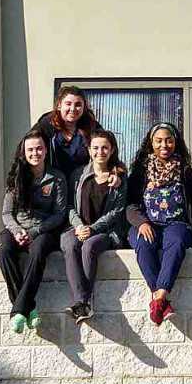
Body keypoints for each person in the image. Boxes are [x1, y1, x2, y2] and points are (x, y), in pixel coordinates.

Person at [126, 122, 192, 325]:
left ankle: (158, 297)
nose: (164, 145)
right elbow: (130, 205)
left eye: (168, 140)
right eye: (158, 141)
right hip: (147, 224)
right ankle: (161, 298)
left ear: (175, 142)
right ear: (150, 143)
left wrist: (188, 223)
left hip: (176, 224)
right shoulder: (140, 172)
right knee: (143, 244)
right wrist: (141, 222)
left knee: (176, 242)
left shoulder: (185, 171)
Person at [0, 128, 67, 333]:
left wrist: (34, 232)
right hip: (17, 228)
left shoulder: (57, 178)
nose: (35, 153)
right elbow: (7, 213)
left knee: (38, 250)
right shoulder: (16, 177)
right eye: (30, 150)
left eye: (39, 149)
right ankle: (28, 308)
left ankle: (18, 310)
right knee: (3, 250)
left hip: (44, 230)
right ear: (23, 153)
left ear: (45, 151)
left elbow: (59, 214)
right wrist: (17, 232)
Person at [60, 128, 128, 324]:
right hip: (79, 228)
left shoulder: (119, 178)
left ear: (112, 150)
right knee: (68, 241)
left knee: (89, 246)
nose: (100, 152)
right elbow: (70, 206)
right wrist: (80, 226)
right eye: (96, 148)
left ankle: (82, 301)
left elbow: (117, 211)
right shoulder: (77, 175)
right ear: (89, 150)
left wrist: (93, 229)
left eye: (105, 148)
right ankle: (83, 304)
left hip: (105, 232)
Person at [34, 85, 100, 182]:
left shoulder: (91, 126)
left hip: (81, 185)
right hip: (52, 186)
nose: (73, 109)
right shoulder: (46, 125)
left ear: (84, 107)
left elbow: (108, 149)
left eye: (78, 105)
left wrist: (114, 170)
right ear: (59, 105)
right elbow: (27, 149)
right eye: (68, 104)